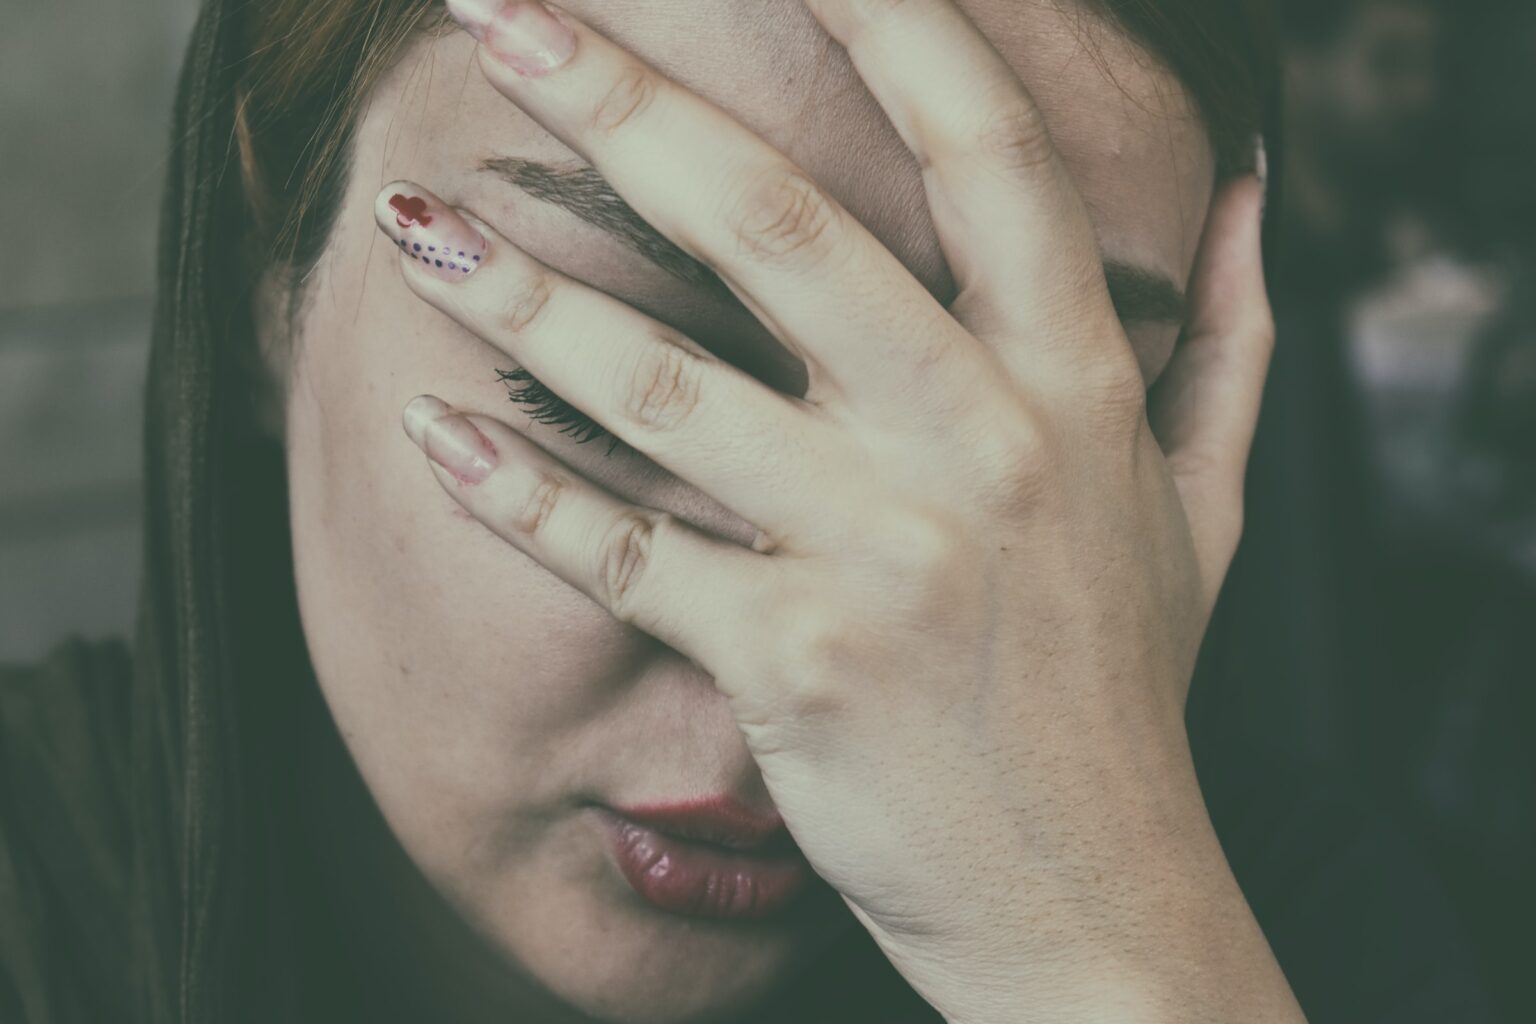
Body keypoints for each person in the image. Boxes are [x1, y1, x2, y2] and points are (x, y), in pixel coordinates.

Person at [0, 1, 1493, 1022]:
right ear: (264, 278)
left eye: (1034, 456)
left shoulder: (1313, 943)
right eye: (601, 377)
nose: (816, 657)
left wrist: (1116, 970)